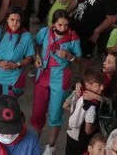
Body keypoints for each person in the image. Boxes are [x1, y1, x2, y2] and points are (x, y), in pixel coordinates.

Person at [31, 9, 81, 155]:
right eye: (59, 25)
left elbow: (79, 60)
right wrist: (37, 57)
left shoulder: (73, 37)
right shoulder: (45, 32)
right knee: (37, 112)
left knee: (55, 114)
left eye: (66, 25)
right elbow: (34, 43)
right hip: (43, 76)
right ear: (53, 23)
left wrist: (70, 56)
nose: (63, 28)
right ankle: (34, 143)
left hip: (60, 78)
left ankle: (51, 146)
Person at [0, 7, 35, 120]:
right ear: (6, 19)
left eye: (18, 20)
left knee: (8, 112)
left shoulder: (26, 36)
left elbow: (29, 58)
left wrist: (17, 64)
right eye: (12, 19)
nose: (15, 23)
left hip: (13, 80)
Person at [64, 67, 104, 155]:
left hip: (71, 134)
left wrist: (75, 113)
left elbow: (65, 106)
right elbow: (88, 130)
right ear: (88, 85)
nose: (102, 87)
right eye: (98, 85)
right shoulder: (91, 105)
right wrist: (97, 125)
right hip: (80, 141)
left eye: (102, 84)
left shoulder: (79, 92)